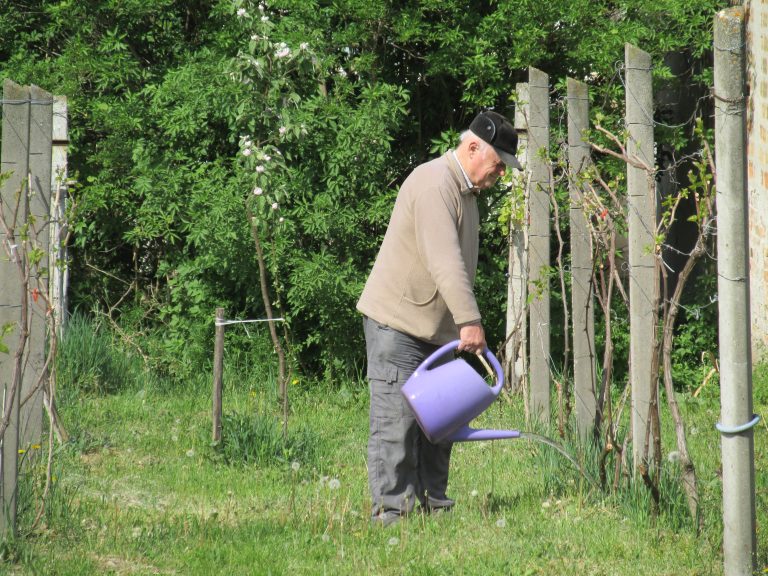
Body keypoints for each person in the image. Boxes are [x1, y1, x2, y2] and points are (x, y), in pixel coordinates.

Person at [356, 110, 522, 526]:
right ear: (472, 148)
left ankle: (434, 506)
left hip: (435, 331)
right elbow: (446, 263)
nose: (500, 173)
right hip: (398, 325)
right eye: (498, 163)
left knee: (441, 422)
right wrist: (469, 320)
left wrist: (458, 323)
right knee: (398, 424)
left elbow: (459, 269)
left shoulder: (465, 193)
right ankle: (393, 516)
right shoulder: (434, 184)